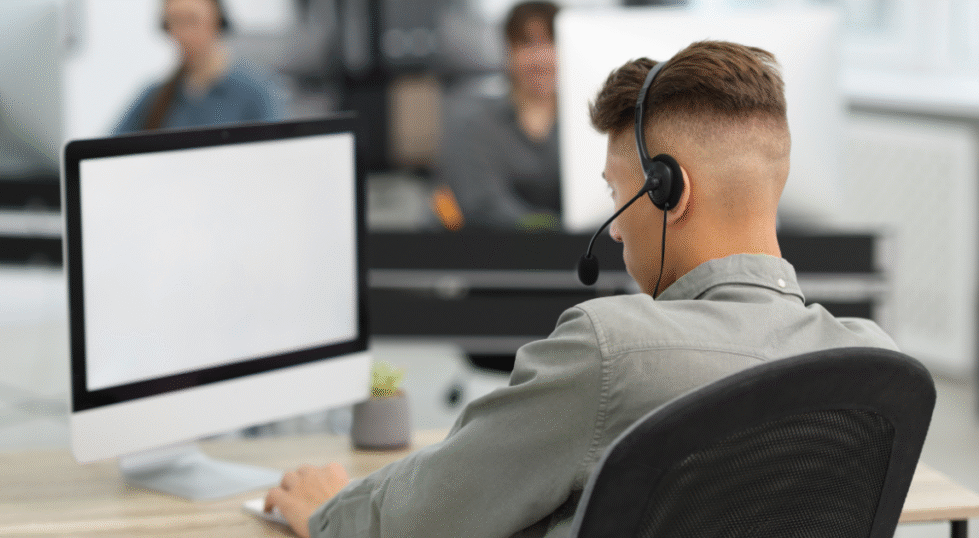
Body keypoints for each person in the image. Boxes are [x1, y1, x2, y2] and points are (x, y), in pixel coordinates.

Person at [263, 40, 899, 537]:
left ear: (669, 192)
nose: (617, 232)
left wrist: (329, 511)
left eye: (619, 196)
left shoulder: (611, 348)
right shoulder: (875, 367)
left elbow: (425, 516)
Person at [437, 1, 561, 231]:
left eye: (549, 43)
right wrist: (550, 228)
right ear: (508, 51)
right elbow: (482, 203)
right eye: (526, 44)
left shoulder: (585, 125)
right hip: (497, 251)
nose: (539, 58)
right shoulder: (473, 122)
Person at [113, 0, 285, 134]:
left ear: (217, 21)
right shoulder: (156, 96)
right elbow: (109, 148)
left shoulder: (256, 92)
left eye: (191, 20)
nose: (183, 34)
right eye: (175, 22)